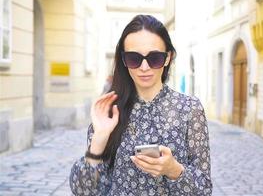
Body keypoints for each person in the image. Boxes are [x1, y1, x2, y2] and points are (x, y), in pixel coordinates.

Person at [69, 15, 212, 195]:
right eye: (134, 58)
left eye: (154, 58)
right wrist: (99, 138)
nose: (144, 67)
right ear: (123, 60)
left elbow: (204, 189)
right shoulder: (110, 110)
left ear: (168, 58)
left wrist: (173, 170)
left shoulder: (189, 108)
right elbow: (83, 191)